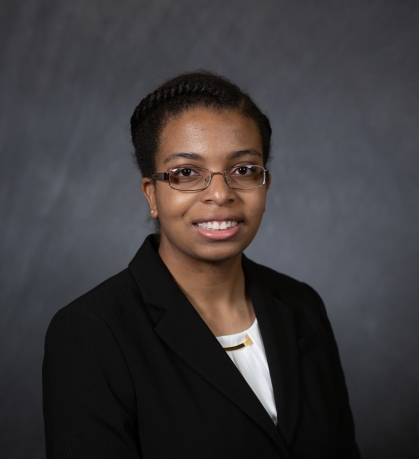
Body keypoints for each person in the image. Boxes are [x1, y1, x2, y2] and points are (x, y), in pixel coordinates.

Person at [43, 71, 361, 459]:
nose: (220, 194)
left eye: (244, 169)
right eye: (187, 173)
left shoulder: (301, 305)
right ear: (152, 195)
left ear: (266, 185)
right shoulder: (91, 332)